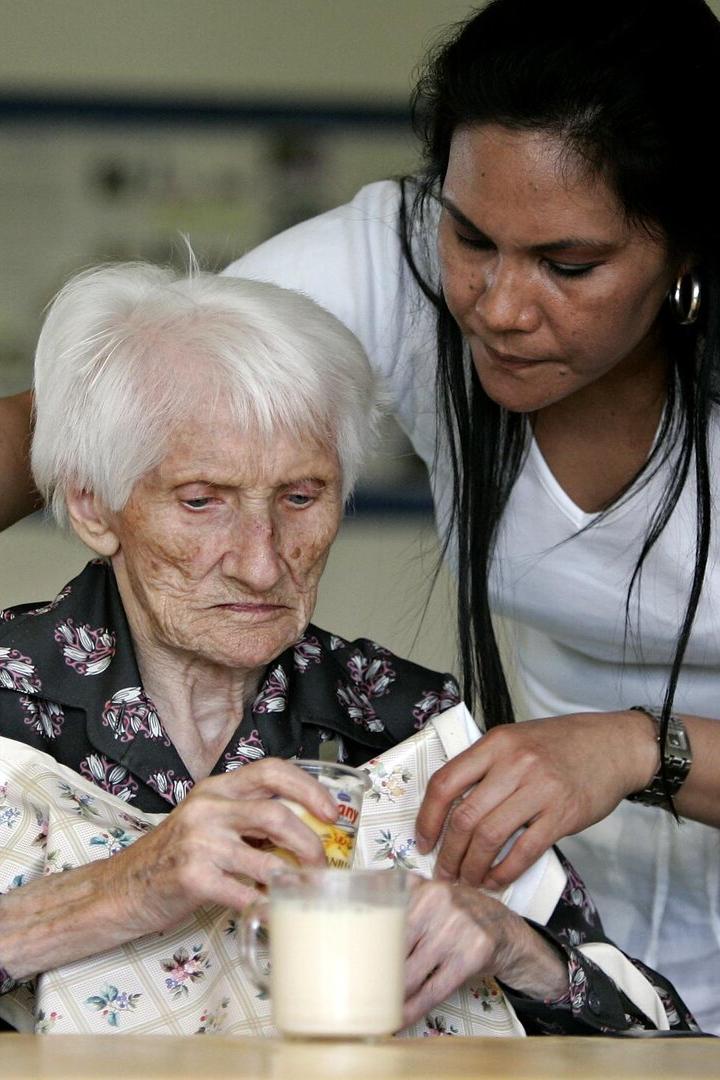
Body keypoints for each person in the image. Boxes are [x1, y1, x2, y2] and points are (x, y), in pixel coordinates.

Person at [0, 0, 718, 1032]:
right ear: (89, 500)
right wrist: (110, 894)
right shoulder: (14, 710)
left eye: (301, 496)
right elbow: (110, 406)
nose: (500, 306)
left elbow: (642, 1028)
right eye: (202, 500)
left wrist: (627, 770)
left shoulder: (401, 736)